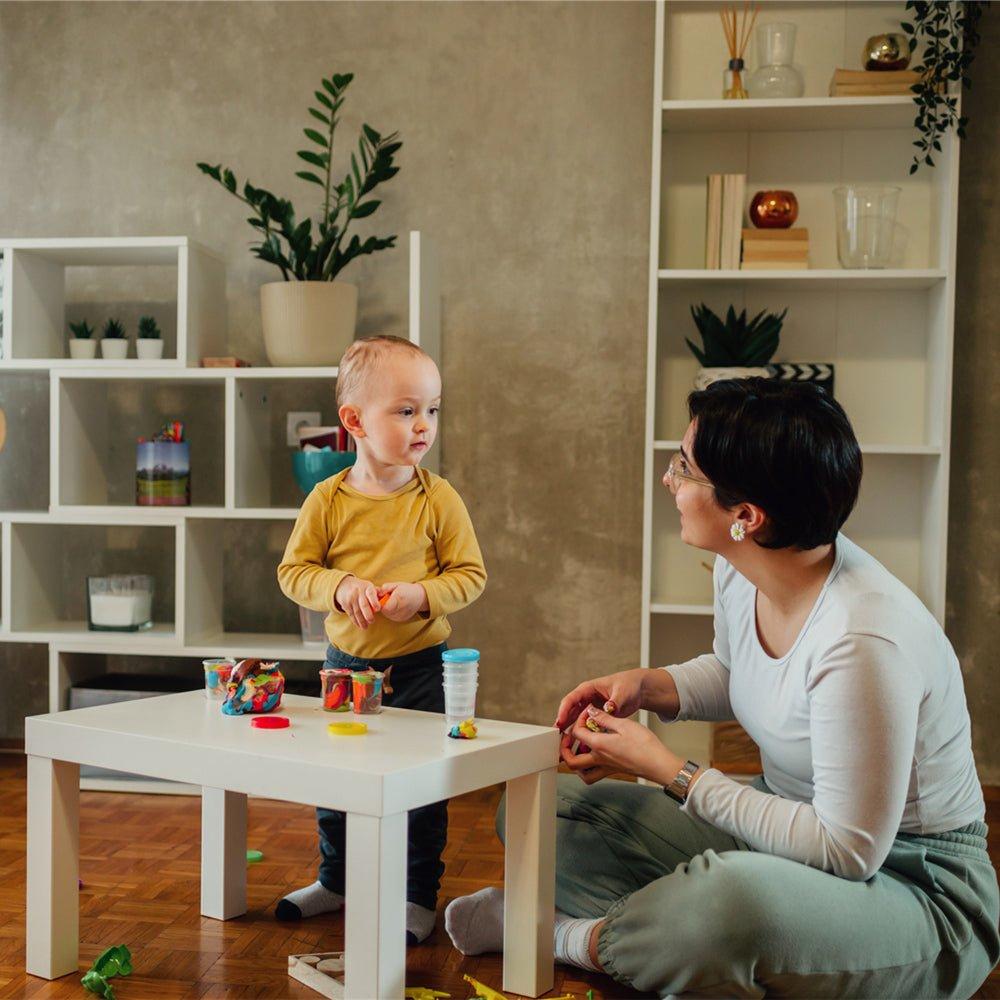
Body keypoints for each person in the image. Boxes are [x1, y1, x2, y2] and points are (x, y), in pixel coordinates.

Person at [445, 378, 999, 997]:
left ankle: (561, 936)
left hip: (915, 884)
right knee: (546, 813)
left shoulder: (862, 641)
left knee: (727, 906)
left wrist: (670, 771)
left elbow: (847, 850)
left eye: (685, 468)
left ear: (746, 516)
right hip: (783, 829)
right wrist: (647, 686)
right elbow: (740, 673)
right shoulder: (745, 570)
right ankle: (677, 942)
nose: (669, 479)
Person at [276, 334, 487, 945]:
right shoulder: (327, 499)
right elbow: (294, 572)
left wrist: (421, 595)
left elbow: (470, 575)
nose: (424, 425)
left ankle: (415, 895)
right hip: (344, 667)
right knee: (335, 780)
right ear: (354, 422)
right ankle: (336, 880)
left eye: (432, 410)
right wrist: (340, 588)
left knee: (422, 787)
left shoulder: (437, 498)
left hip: (421, 667)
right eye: (406, 410)